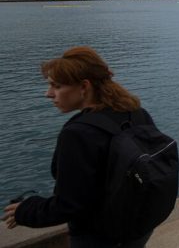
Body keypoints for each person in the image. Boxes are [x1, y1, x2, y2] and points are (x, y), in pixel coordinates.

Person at [1, 47, 156, 247]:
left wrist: (26, 211)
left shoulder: (78, 134)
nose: (48, 94)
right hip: (139, 224)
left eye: (56, 86)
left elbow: (70, 206)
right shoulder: (136, 112)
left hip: (100, 235)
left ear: (84, 86)